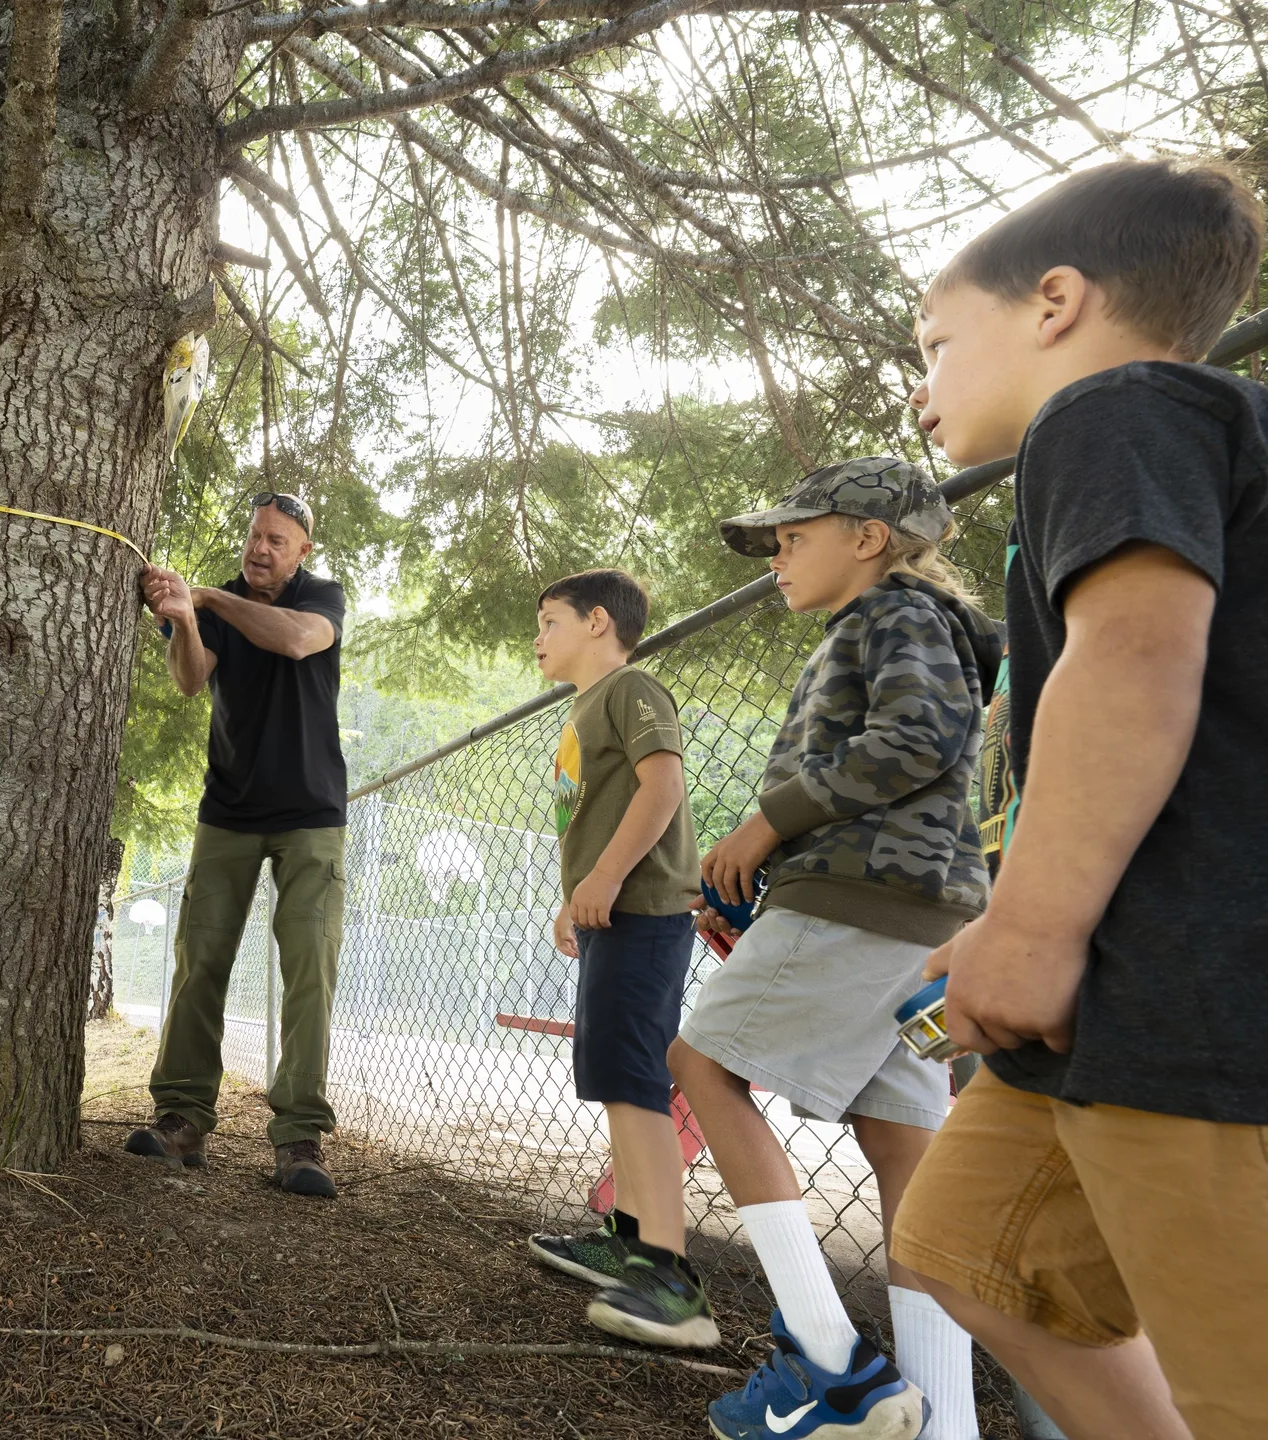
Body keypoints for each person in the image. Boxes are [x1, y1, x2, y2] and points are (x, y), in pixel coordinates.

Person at [893, 157, 1268, 1440]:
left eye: (937, 344)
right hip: (1117, 993)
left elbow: (1137, 654)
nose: (923, 387)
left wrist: (1037, 927)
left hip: (1198, 1007)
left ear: (1055, 300)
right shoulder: (1169, 434)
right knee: (971, 1245)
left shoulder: (1111, 410)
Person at [659, 458, 1001, 1440]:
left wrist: (766, 828)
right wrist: (768, 887)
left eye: (793, 536)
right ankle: (941, 1427)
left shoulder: (897, 612)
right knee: (903, 1152)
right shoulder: (877, 625)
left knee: (703, 1065)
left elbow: (917, 740)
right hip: (900, 911)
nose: (776, 556)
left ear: (869, 538)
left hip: (870, 903)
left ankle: (833, 1363)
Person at [126, 492, 349, 1198]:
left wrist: (212, 605)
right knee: (201, 960)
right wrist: (187, 619)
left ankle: (298, 1138)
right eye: (255, 536)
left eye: (277, 540)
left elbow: (295, 640)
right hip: (228, 810)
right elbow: (192, 680)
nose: (260, 549)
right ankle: (182, 1118)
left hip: (312, 814)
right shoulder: (215, 602)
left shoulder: (323, 598)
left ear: (303, 550)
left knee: (309, 966)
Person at [519, 570, 717, 1349]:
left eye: (549, 620)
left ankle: (670, 1279)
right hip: (609, 915)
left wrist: (604, 878)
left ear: (598, 622)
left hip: (644, 912)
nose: (538, 637)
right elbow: (594, 821)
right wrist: (576, 896)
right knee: (612, 1077)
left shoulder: (633, 689)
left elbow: (662, 785)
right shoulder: (583, 708)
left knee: (635, 1080)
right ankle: (630, 1241)